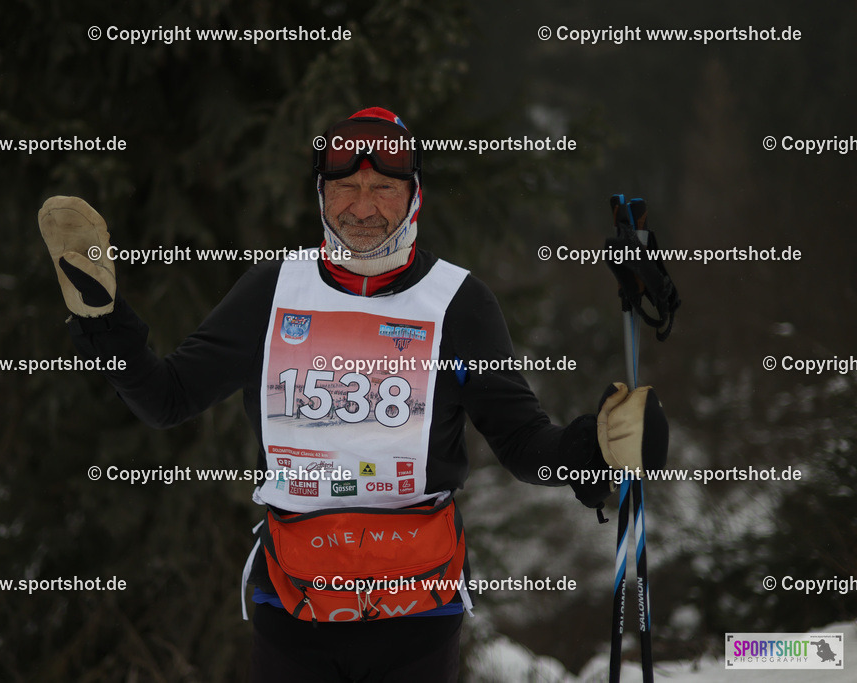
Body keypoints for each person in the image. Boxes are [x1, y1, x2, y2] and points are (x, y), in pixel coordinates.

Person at [37, 107, 668, 682]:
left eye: (383, 188)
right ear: (322, 192)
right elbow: (167, 398)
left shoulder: (457, 303)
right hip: (293, 609)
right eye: (346, 186)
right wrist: (103, 322)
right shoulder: (274, 290)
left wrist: (597, 447)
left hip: (415, 617)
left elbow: (524, 442)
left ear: (412, 195)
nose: (362, 207)